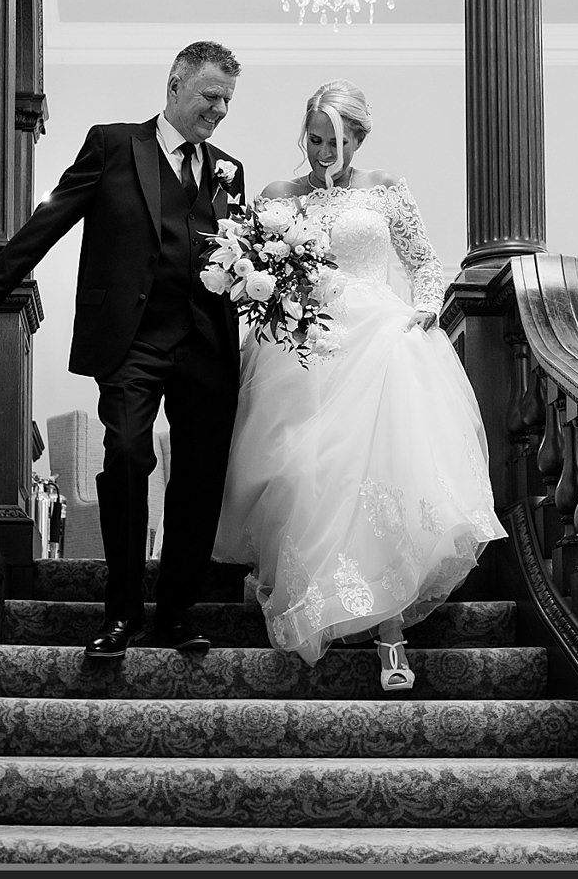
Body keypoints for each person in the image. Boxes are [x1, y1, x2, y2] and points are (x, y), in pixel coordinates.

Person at [0, 41, 248, 658]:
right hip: (131, 341)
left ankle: (175, 612)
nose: (219, 110)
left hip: (206, 345)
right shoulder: (114, 145)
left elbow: (236, 259)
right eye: (209, 96)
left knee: (199, 478)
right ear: (174, 86)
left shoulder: (228, 170)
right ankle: (121, 612)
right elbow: (51, 218)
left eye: (227, 100)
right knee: (128, 455)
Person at [212, 79, 503, 693]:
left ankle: (390, 636)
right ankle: (307, 596)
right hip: (304, 350)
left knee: (379, 478)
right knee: (304, 475)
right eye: (313, 139)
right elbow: (265, 269)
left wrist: (426, 307)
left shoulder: (387, 188)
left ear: (359, 138)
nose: (321, 153)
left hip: (381, 342)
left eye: (334, 142)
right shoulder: (279, 196)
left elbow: (424, 261)